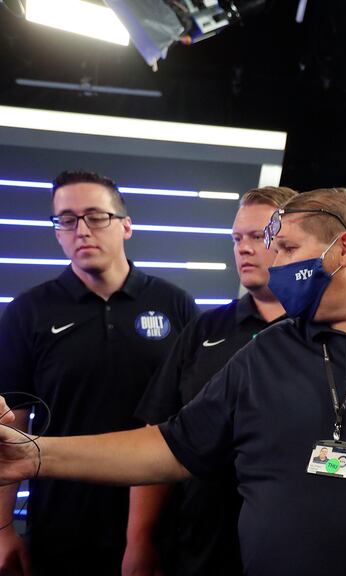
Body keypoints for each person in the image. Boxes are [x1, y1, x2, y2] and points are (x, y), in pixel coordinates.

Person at [0, 187, 346, 576]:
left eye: (287, 248)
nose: (272, 264)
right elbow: (169, 448)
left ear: (344, 249)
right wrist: (34, 454)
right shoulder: (266, 351)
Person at [0, 171, 198, 576]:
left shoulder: (175, 305)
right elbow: (11, 427)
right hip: (62, 520)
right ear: (57, 233)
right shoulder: (28, 312)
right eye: (67, 220)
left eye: (95, 216)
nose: (81, 230)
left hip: (163, 519)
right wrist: (3, 529)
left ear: (126, 225)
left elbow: (194, 420)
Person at [123, 186, 297, 576]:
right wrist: (138, 540)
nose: (243, 249)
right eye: (237, 238)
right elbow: (159, 435)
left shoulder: (322, 333)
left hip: (291, 550)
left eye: (258, 236)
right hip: (198, 550)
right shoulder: (205, 328)